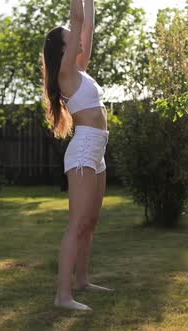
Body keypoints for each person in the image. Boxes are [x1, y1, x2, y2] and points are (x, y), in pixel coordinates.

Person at [42, 0, 113, 312]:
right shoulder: (66, 72)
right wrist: (81, 9)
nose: (78, 36)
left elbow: (88, 25)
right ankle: (63, 295)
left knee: (91, 221)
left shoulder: (80, 70)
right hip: (84, 150)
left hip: (97, 150)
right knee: (77, 223)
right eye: (71, 37)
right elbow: (78, 17)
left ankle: (82, 280)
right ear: (62, 50)